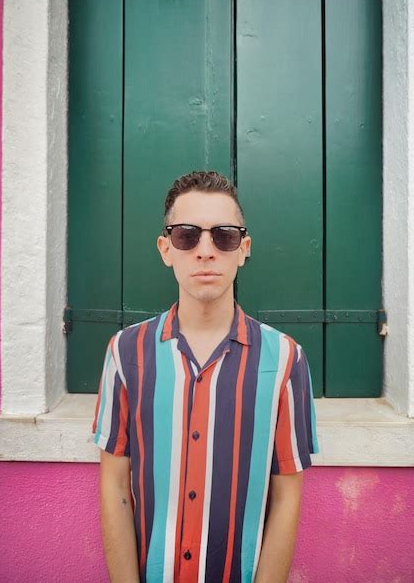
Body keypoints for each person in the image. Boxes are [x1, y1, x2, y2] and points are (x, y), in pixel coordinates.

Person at [92, 170, 320, 583]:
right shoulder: (125, 353)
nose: (205, 250)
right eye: (187, 235)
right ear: (166, 248)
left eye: (224, 236)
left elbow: (287, 498)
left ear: (243, 248)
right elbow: (115, 488)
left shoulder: (286, 359)